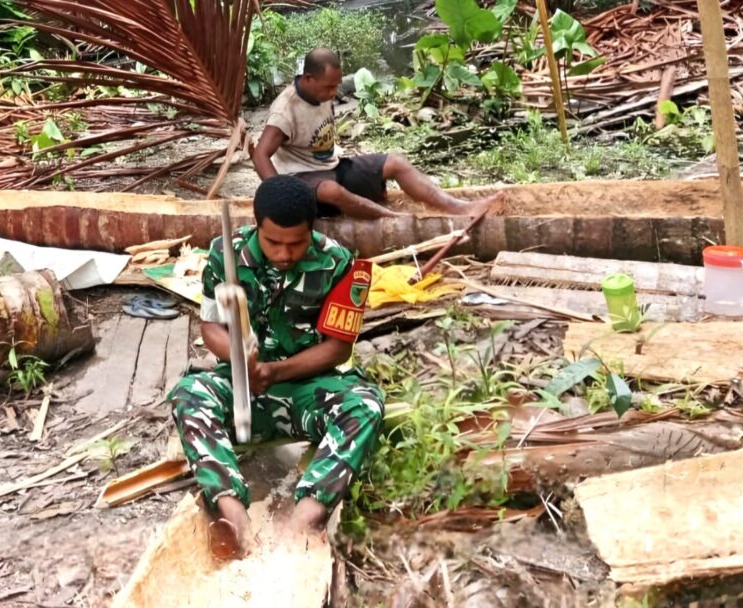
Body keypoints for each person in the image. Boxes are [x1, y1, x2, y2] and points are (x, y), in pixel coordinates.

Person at [167, 175, 385, 560]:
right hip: (242, 391)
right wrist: (239, 359)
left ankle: (307, 515)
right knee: (189, 394)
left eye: (296, 243)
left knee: (364, 406)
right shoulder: (225, 255)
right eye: (273, 243)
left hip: (308, 391)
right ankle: (232, 511)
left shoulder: (340, 264)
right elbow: (211, 326)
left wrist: (275, 372)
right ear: (257, 227)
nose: (284, 254)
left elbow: (338, 348)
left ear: (313, 229)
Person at [252, 48, 503, 220]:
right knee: (332, 192)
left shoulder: (322, 91)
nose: (334, 92)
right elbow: (261, 155)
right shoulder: (285, 111)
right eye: (329, 87)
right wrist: (282, 195)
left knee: (396, 162)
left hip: (333, 166)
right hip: (301, 177)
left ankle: (458, 208)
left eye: (337, 85)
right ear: (308, 78)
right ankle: (391, 217)